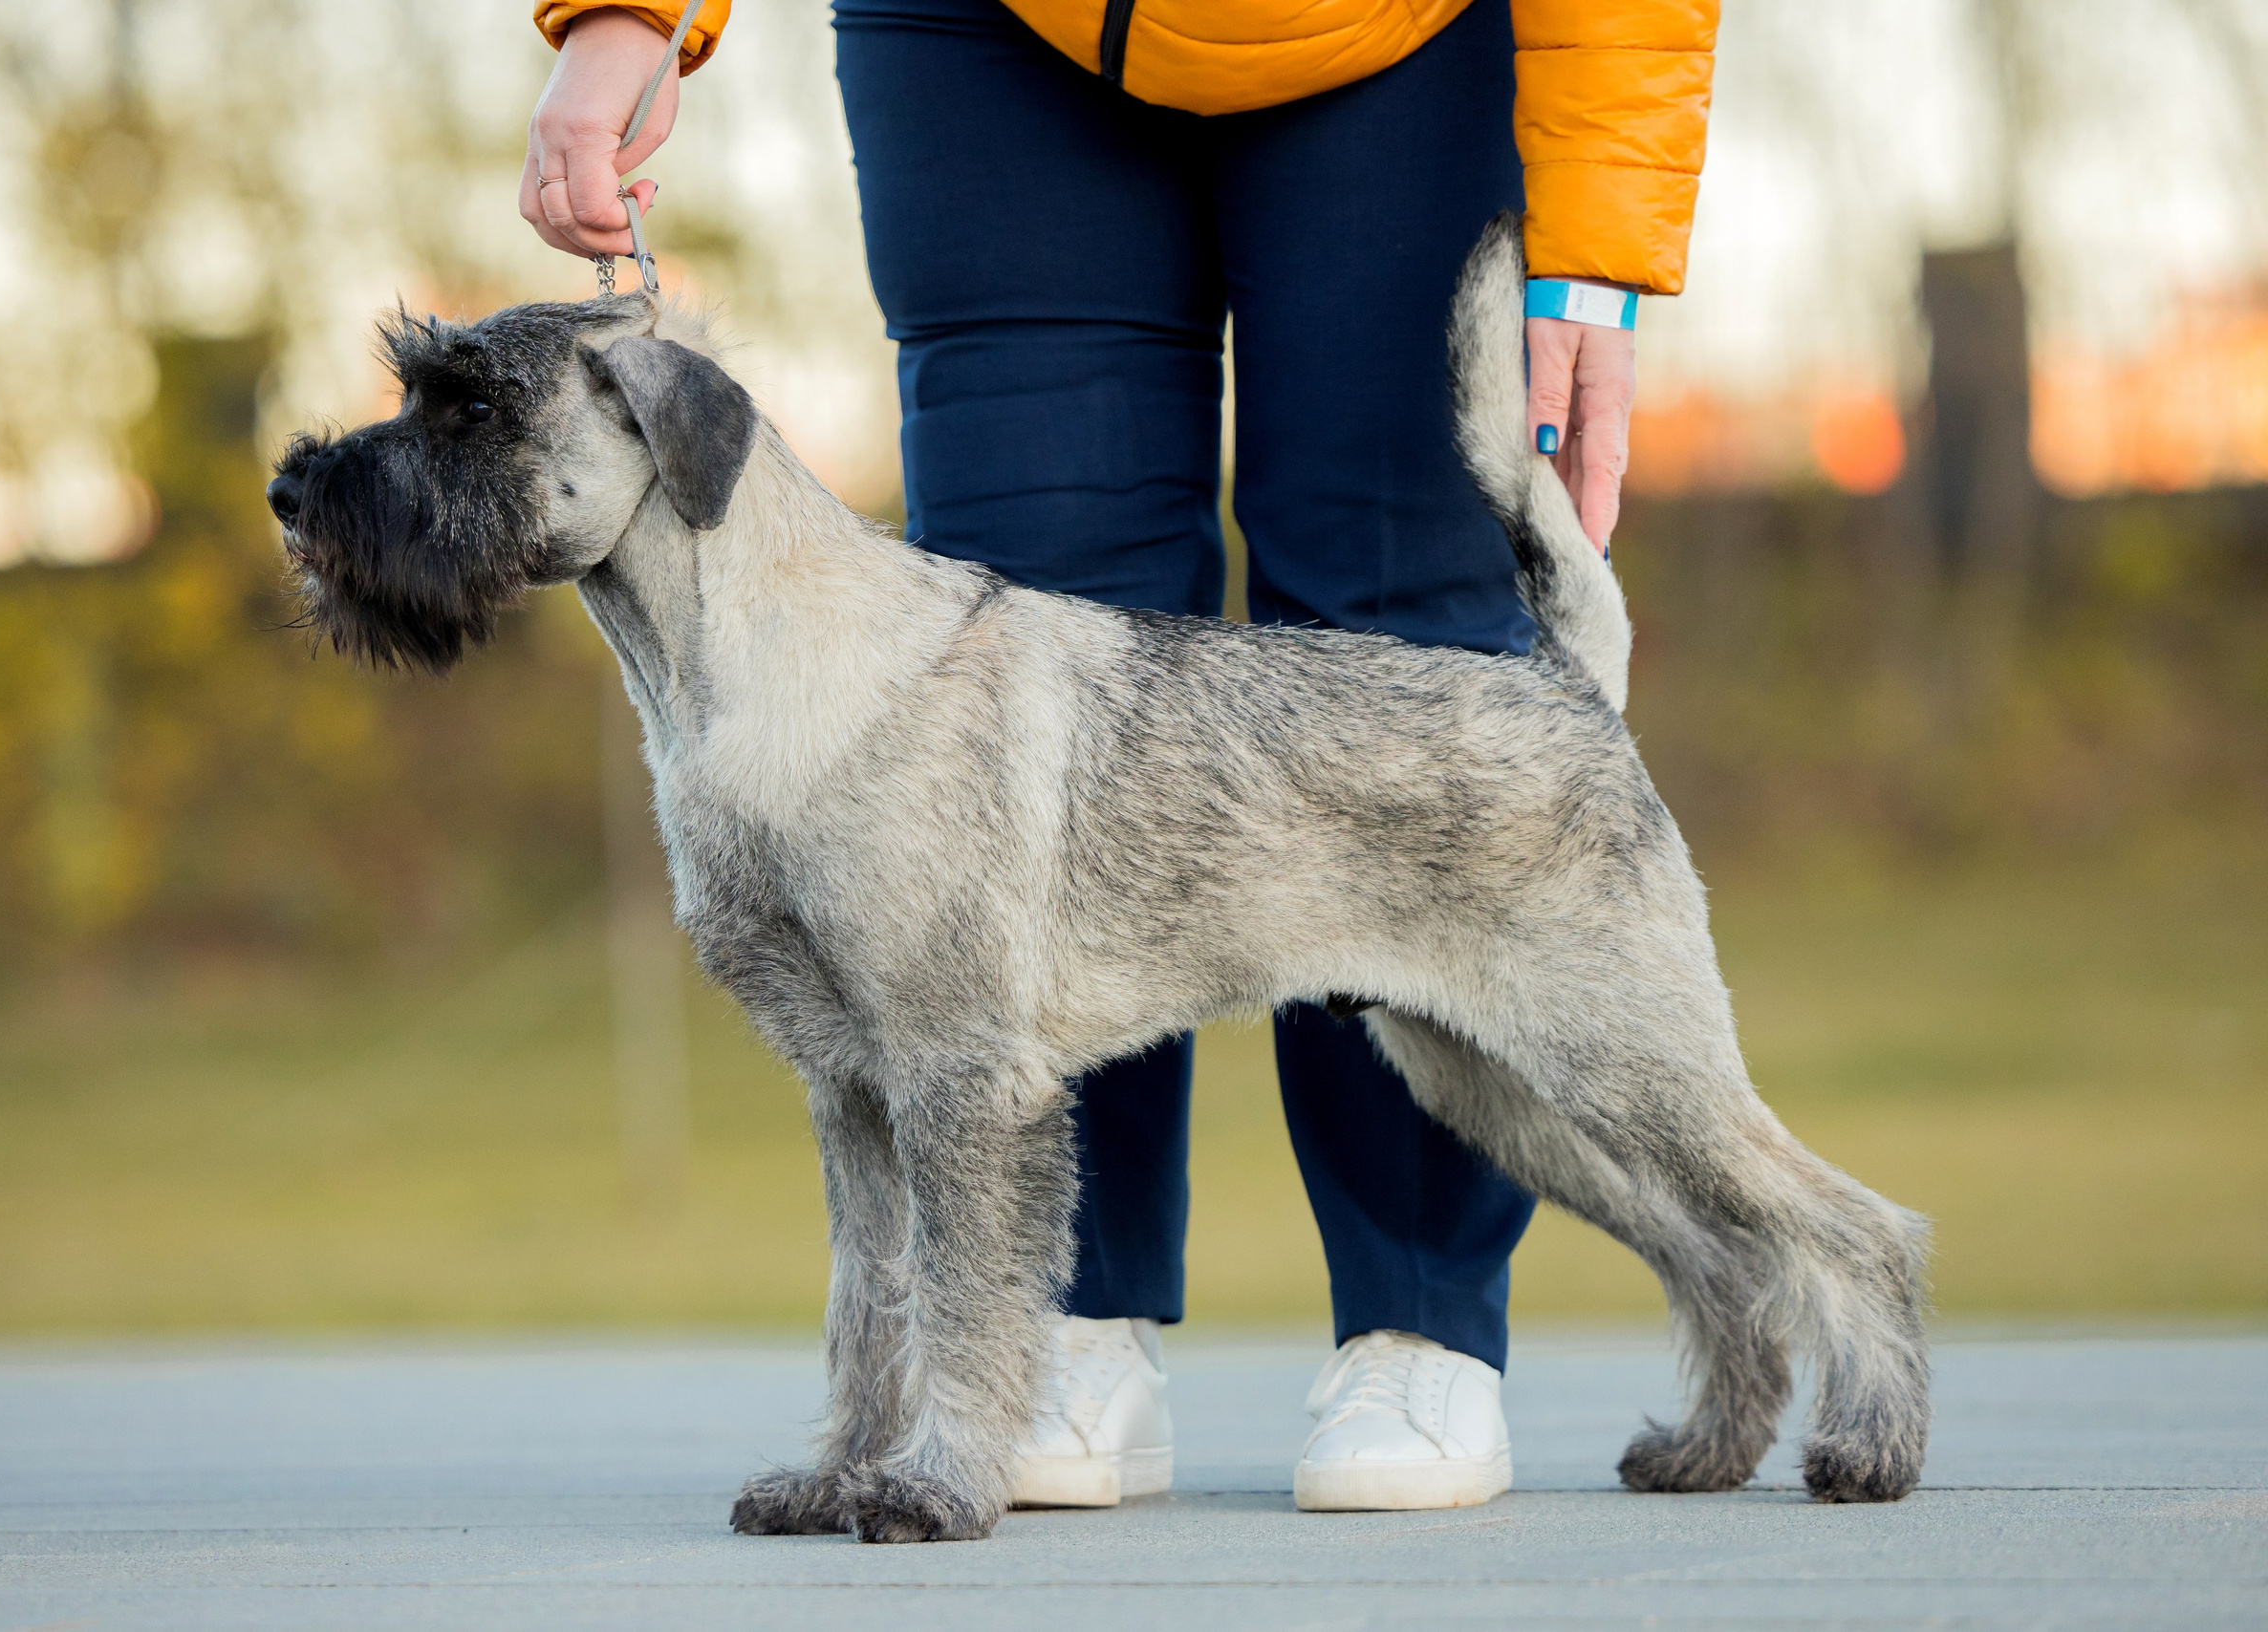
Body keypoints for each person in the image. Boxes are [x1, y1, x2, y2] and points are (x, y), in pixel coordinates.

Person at [521, 0, 1714, 1513]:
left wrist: (1602, 232)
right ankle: (1059, 1331)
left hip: (1394, 36)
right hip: (983, 38)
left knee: (1392, 624)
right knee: (1003, 664)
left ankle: (1421, 1322)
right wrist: (626, 14)